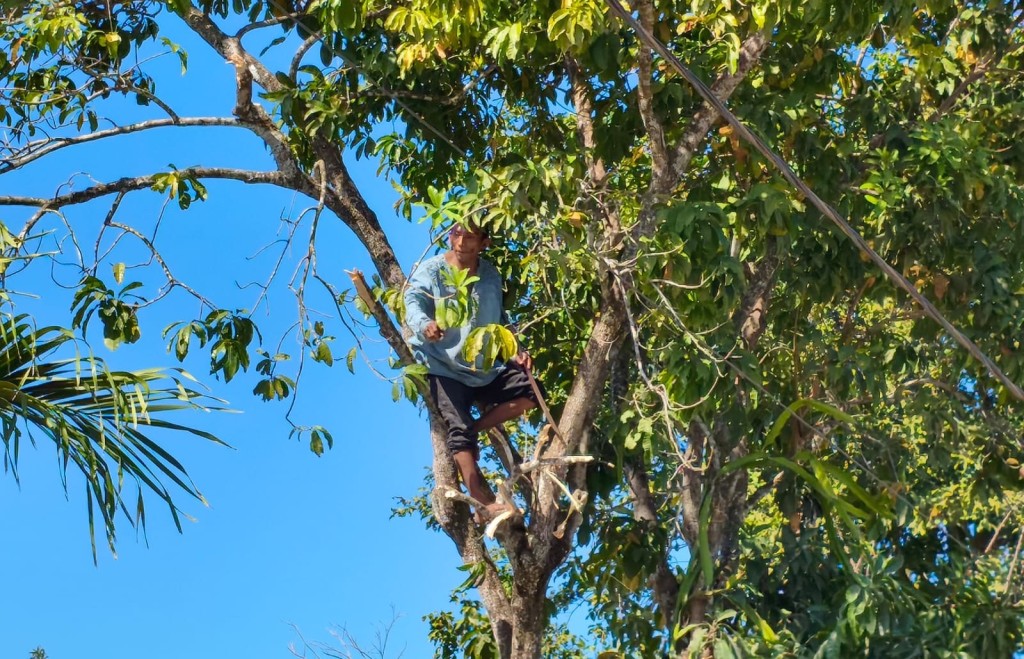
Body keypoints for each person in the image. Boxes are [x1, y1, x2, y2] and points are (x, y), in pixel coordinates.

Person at [404, 223, 538, 522]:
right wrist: (425, 325)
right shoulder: (433, 269)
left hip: (485, 364)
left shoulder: (490, 274)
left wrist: (515, 348)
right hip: (442, 365)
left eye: (470, 236)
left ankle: (473, 429)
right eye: (455, 233)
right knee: (456, 428)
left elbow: (500, 318)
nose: (461, 240)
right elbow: (412, 301)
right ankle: (482, 502)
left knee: (531, 391)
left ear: (484, 243)